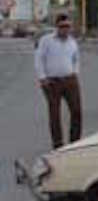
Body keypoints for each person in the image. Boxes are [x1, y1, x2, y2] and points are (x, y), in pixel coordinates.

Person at [35, 13, 82, 148]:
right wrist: (42, 77)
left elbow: (76, 59)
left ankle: (75, 141)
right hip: (52, 82)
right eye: (62, 26)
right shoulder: (46, 41)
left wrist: (75, 72)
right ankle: (58, 143)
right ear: (57, 26)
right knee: (54, 113)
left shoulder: (72, 42)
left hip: (70, 80)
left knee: (76, 111)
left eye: (68, 26)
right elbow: (39, 59)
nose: (65, 29)